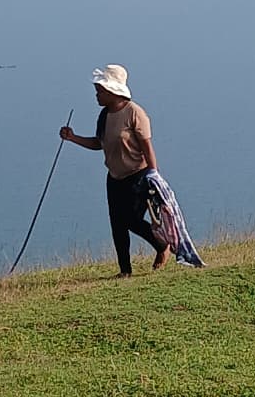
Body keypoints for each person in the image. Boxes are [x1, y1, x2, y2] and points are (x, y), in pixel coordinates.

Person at [62, 64, 203, 276]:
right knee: (117, 225)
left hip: (138, 176)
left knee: (131, 220)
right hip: (114, 177)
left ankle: (161, 245)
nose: (97, 95)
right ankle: (125, 271)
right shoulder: (104, 116)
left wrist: (153, 177)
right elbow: (99, 143)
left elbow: (148, 148)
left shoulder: (135, 114)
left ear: (112, 92)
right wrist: (73, 138)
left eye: (100, 91)